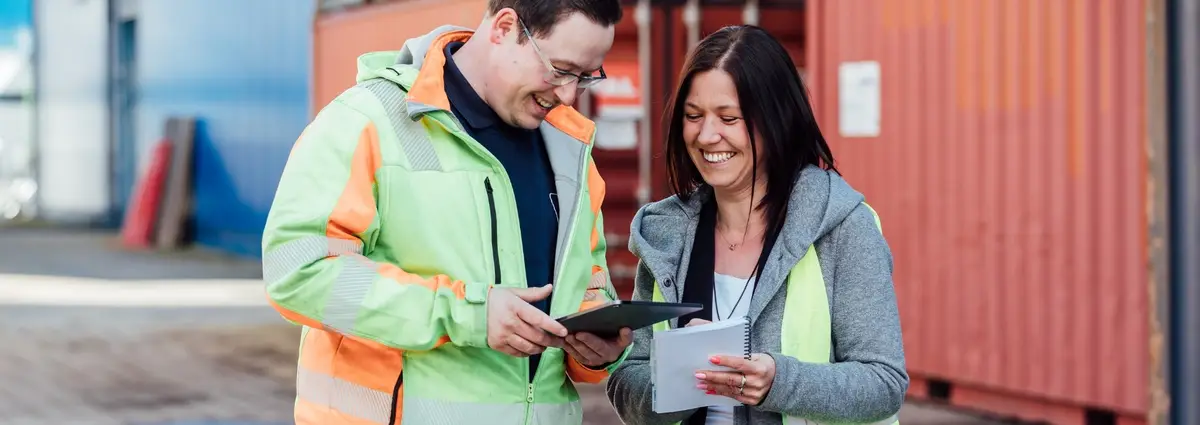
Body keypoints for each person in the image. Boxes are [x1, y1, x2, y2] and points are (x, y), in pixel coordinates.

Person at [260, 1, 633, 424]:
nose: (568, 95)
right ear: (505, 27)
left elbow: (590, 284)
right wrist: (468, 313)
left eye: (585, 77)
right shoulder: (365, 121)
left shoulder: (571, 151)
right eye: (561, 70)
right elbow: (297, 271)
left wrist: (595, 349)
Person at [605, 25, 908, 425]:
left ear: (776, 120)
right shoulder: (665, 234)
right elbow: (627, 379)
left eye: (729, 118)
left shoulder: (844, 227)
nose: (707, 135)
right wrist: (676, 387)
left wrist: (779, 383)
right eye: (693, 116)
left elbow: (884, 383)